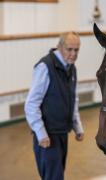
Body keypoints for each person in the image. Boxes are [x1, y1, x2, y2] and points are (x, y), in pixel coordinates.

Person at [24, 32, 84, 180]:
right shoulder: (45, 67)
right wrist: (41, 132)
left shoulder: (71, 68)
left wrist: (77, 126)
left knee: (57, 175)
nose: (73, 54)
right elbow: (31, 104)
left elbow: (73, 99)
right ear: (59, 47)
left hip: (62, 132)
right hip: (48, 135)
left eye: (76, 50)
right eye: (69, 49)